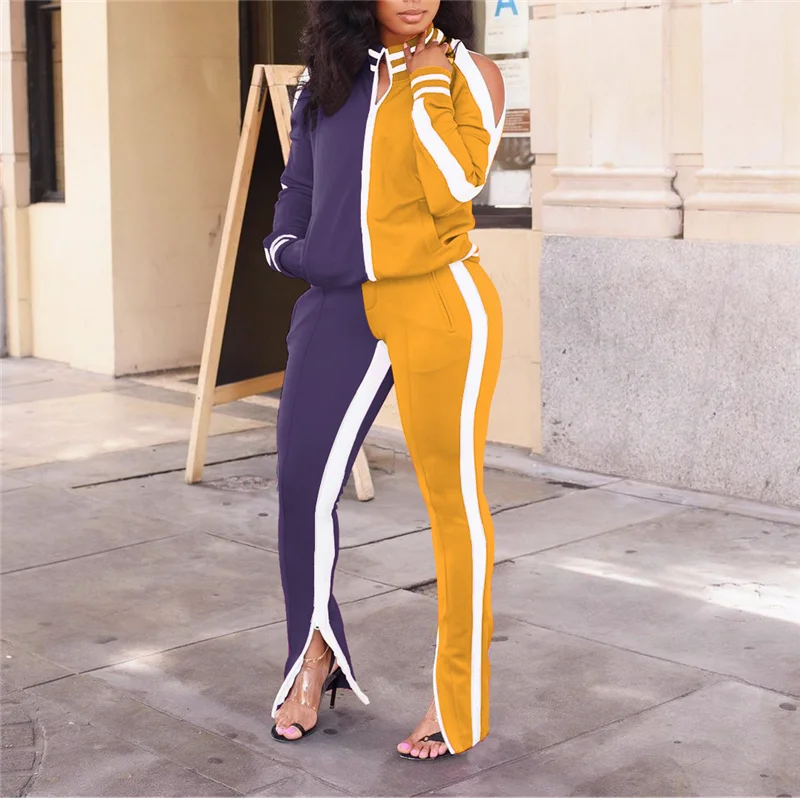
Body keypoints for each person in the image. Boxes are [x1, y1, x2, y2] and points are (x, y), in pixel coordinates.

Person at [263, 0, 506, 761]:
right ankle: (313, 654)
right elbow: (299, 186)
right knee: (301, 484)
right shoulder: (325, 81)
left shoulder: (470, 73)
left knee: (452, 501)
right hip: (337, 303)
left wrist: (427, 85)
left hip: (441, 298)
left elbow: (455, 184)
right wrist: (290, 251)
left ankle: (455, 699)